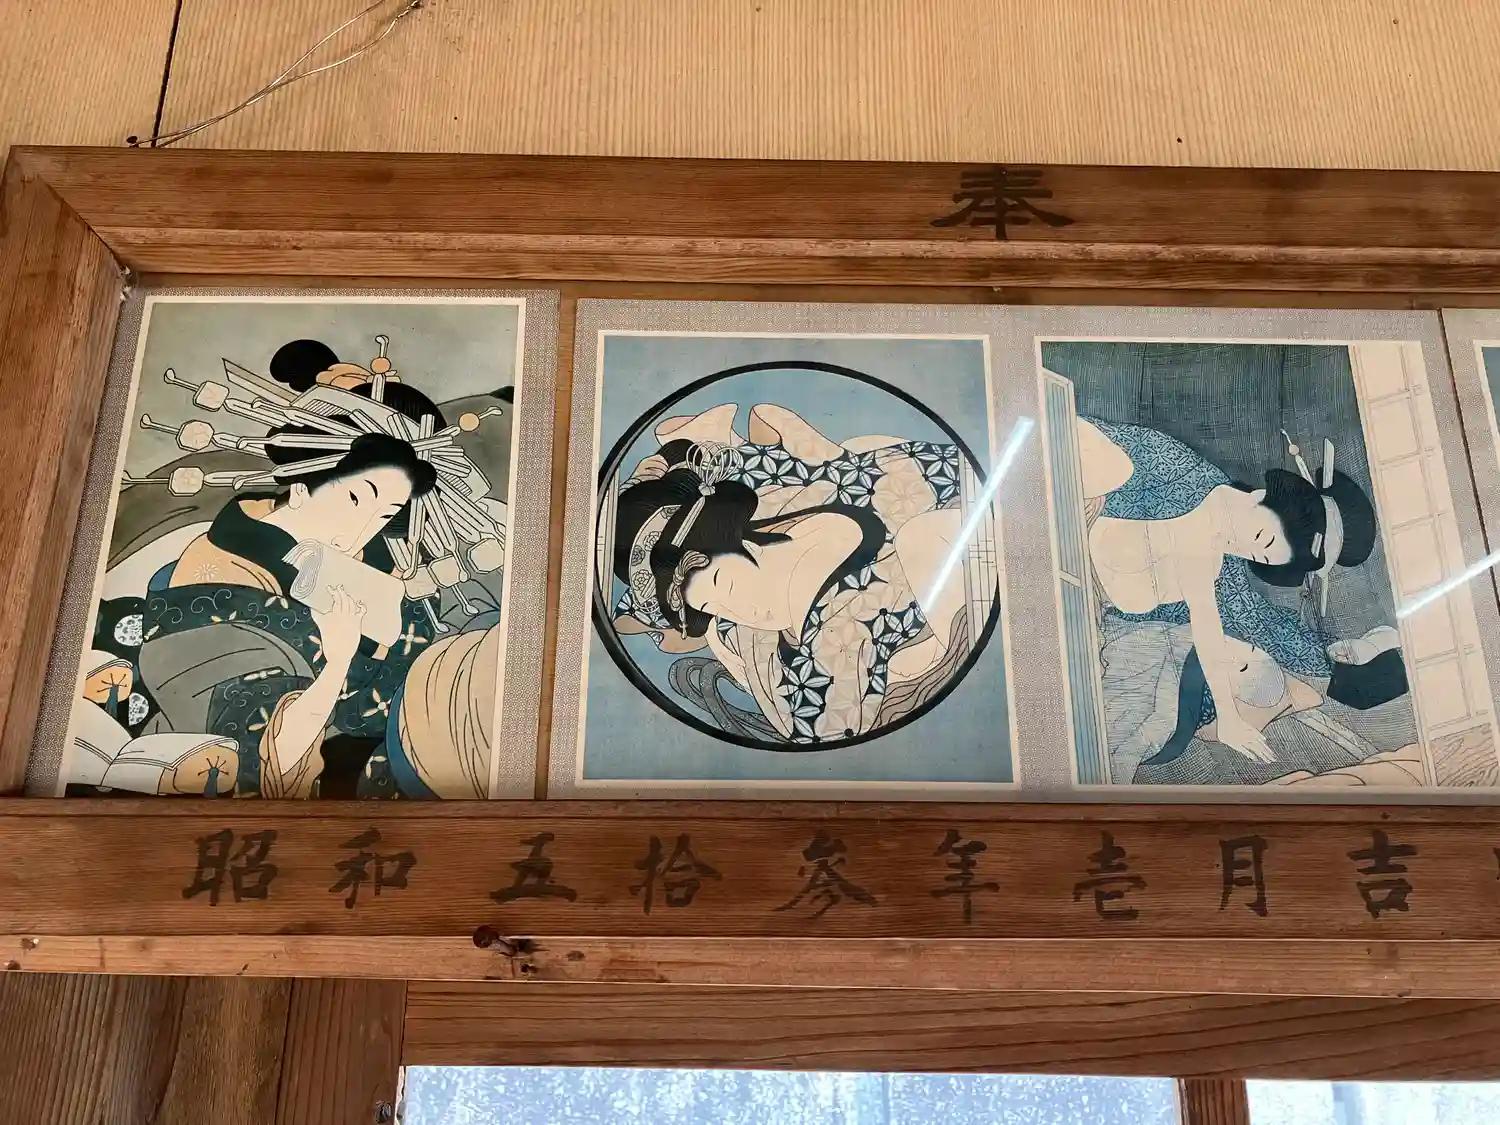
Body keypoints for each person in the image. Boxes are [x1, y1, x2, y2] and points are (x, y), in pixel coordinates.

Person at [75, 368, 500, 798]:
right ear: (300, 484)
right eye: (356, 498)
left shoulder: (378, 556)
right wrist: (338, 661)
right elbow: (262, 758)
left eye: (386, 514)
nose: (360, 531)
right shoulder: (214, 585)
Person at [610, 402, 996, 744]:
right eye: (714, 609)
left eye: (722, 585)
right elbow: (822, 727)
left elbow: (966, 477)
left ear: (727, 531)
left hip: (942, 517)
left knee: (923, 532)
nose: (741, 612)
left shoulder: (816, 489)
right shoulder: (809, 641)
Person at [1075, 416, 1386, 762]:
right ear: (1259, 497)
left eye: (1258, 556)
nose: (1240, 546)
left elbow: (1232, 629)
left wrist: (1230, 719)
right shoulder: (1174, 468)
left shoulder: (1218, 568)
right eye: (1261, 537)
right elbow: (1069, 434)